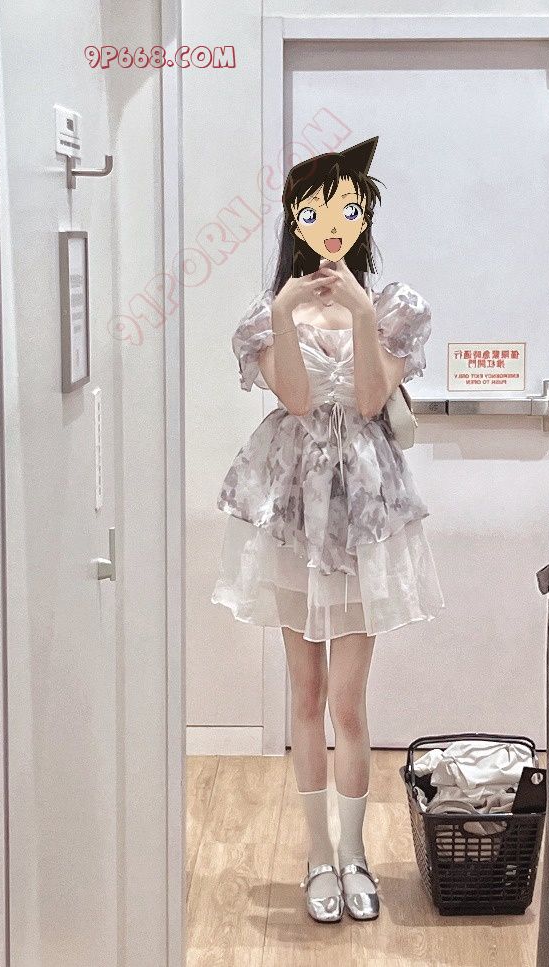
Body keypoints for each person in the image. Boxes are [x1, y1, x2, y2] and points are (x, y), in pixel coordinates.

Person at [211, 137, 445, 922]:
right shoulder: (266, 316)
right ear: (294, 219)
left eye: (348, 207)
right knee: (305, 693)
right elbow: (300, 401)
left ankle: (355, 855)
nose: (333, 223)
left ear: (363, 215)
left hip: (363, 514)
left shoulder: (392, 306)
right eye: (315, 210)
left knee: (348, 699)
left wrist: (363, 311)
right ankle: (318, 856)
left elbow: (372, 400)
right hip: (294, 513)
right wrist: (284, 311)